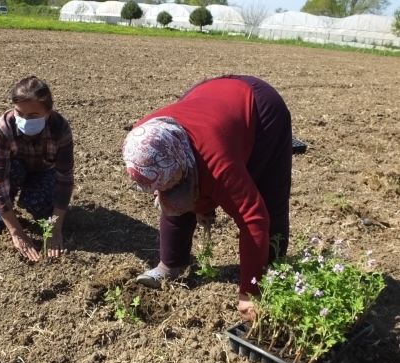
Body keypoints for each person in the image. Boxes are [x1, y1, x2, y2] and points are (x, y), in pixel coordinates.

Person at [122, 75, 292, 320]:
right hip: (205, 95)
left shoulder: (218, 163)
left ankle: (273, 274)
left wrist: (250, 293)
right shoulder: (145, 138)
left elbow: (253, 219)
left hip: (260, 108)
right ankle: (170, 265)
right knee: (174, 197)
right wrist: (195, 205)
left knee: (268, 195)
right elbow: (170, 185)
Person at [0, 76, 74, 261]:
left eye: (33, 116)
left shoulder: (60, 128)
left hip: (43, 171)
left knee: (36, 204)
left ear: (48, 112)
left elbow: (64, 178)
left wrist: (55, 229)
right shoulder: (3, 128)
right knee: (10, 174)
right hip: (14, 171)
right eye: (19, 113)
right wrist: (17, 232)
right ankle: (0, 213)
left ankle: (47, 215)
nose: (24, 120)